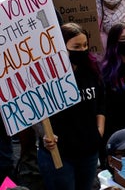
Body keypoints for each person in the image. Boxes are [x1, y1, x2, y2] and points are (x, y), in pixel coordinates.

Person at [39, 24, 105, 190]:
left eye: (85, 45)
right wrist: (44, 135)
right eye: (76, 47)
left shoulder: (92, 71)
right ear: (62, 47)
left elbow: (101, 105)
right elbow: (35, 112)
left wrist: (99, 132)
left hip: (88, 153)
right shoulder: (47, 76)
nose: (82, 50)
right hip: (59, 155)